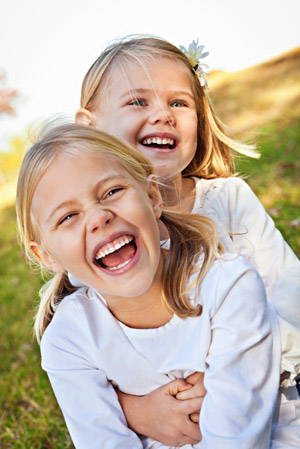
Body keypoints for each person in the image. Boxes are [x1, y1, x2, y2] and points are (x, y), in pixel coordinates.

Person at [74, 35, 300, 444]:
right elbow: (88, 360)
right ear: (90, 128)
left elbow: (289, 291)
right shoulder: (99, 241)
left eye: (179, 103)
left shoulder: (229, 201)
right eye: (138, 102)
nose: (163, 115)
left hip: (272, 394)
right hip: (179, 425)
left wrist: (231, 369)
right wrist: (133, 409)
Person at [16, 123, 281, 448]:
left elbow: (238, 440)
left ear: (153, 196)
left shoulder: (229, 287)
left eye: (112, 192)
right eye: (68, 217)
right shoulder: (67, 341)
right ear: (46, 256)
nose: (99, 217)